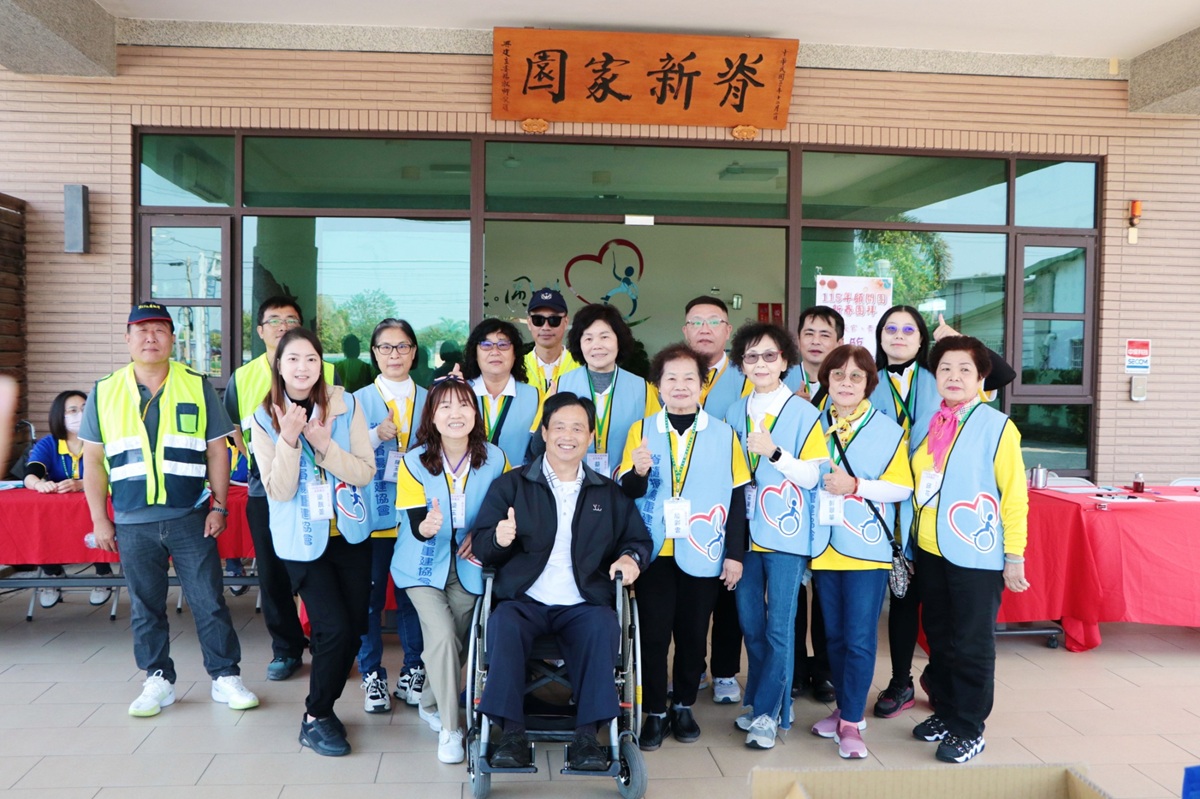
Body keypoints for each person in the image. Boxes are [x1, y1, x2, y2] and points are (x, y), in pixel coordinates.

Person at [81, 301, 259, 718]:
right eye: (142, 330)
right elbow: (93, 460)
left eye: (160, 330)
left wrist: (219, 506)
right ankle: (157, 678)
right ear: (127, 339)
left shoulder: (195, 385)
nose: (151, 338)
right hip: (132, 521)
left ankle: (224, 676)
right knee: (145, 606)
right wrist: (100, 519)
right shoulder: (105, 390)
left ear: (173, 339)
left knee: (208, 600)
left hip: (190, 516)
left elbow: (218, 450)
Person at [471, 392, 651, 772]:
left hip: (583, 603)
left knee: (604, 626)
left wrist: (629, 559)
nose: (568, 436)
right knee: (502, 624)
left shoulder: (607, 492)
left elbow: (637, 540)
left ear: (590, 436)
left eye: (578, 428)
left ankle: (587, 738)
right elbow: (484, 547)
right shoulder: (512, 486)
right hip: (525, 599)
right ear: (544, 432)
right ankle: (512, 735)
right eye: (559, 427)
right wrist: (499, 539)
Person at [869, 306, 1016, 719]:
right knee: (904, 601)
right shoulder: (868, 380)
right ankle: (901, 681)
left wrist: (955, 340)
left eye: (909, 329)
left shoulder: (942, 377)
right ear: (879, 337)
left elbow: (1000, 374)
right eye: (890, 328)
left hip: (941, 516)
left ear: (922, 340)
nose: (899, 335)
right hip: (889, 508)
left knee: (949, 619)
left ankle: (943, 687)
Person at [252, 327, 376, 757]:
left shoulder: (346, 404)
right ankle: (316, 715)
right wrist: (288, 439)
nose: (302, 367)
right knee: (333, 628)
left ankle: (324, 708)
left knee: (353, 630)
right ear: (279, 365)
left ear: (322, 364)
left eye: (311, 359)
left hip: (350, 533)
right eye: (293, 359)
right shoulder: (263, 417)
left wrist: (325, 447)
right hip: (302, 539)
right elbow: (279, 490)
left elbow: (364, 472)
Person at [618, 343, 749, 751]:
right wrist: (638, 472)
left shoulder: (724, 434)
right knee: (653, 635)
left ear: (702, 384)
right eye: (670, 378)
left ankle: (684, 705)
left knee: (693, 634)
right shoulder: (641, 430)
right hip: (653, 552)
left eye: (689, 378)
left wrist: (735, 554)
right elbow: (627, 490)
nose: (680, 385)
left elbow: (738, 497)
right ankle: (655, 711)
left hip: (704, 549)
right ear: (658, 386)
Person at [909, 335, 1029, 764]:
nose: (953, 376)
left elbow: (1014, 496)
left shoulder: (997, 426)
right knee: (940, 637)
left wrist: (1014, 554)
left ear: (981, 378)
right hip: (930, 550)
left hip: (977, 553)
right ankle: (945, 711)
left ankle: (969, 727)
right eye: (945, 368)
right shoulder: (928, 423)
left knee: (972, 643)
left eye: (965, 369)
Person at [801, 345, 913, 760]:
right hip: (824, 545)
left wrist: (857, 486)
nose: (845, 383)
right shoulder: (812, 423)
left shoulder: (888, 430)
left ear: (868, 383)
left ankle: (852, 721)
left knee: (861, 638)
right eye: (837, 375)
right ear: (826, 380)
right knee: (833, 636)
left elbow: (902, 487)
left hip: (865, 547)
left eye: (855, 377)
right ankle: (844, 709)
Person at [392, 376, 509, 765]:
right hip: (423, 564)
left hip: (470, 563)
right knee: (441, 636)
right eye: (445, 406)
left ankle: (428, 700)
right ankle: (449, 727)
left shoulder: (496, 458)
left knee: (455, 642)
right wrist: (428, 526)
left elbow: (503, 507)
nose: (455, 413)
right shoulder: (414, 461)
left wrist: (480, 533)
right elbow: (416, 524)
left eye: (463, 405)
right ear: (432, 415)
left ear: (476, 413)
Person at [225, 295, 335, 682]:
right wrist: (265, 462)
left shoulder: (328, 371)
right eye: (274, 320)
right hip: (265, 490)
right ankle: (286, 649)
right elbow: (233, 431)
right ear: (260, 330)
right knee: (272, 573)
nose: (283, 325)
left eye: (291, 319)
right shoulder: (243, 377)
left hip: (320, 488)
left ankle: (327, 644)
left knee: (320, 568)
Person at [723, 323, 823, 750]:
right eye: (751, 356)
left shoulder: (804, 413)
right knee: (751, 624)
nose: (760, 364)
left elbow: (814, 475)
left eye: (769, 355)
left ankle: (765, 713)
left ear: (785, 361)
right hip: (744, 534)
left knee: (781, 626)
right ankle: (776, 701)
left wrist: (775, 453)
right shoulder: (734, 411)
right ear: (741, 364)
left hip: (786, 533)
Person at [353, 318, 428, 714]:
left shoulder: (432, 399)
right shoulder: (355, 400)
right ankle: (372, 674)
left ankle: (413, 669)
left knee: (412, 595)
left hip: (417, 516)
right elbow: (341, 451)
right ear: (374, 353)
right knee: (369, 598)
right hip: (372, 513)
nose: (394, 354)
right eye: (385, 347)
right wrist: (373, 436)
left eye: (402, 346)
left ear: (414, 352)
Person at [681, 295, 751, 705]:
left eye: (713, 321)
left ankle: (725, 670)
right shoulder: (671, 376)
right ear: (684, 331)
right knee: (687, 598)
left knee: (728, 589)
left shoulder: (746, 375)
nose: (704, 329)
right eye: (696, 322)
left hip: (732, 497)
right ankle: (692, 669)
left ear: (728, 330)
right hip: (683, 503)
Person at [784, 305, 845, 704]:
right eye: (809, 333)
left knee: (825, 592)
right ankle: (793, 669)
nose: (816, 341)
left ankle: (824, 671)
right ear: (798, 338)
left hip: (831, 498)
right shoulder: (781, 378)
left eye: (825, 334)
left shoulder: (847, 379)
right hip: (790, 500)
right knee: (790, 591)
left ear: (839, 341)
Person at [24, 390, 115, 607]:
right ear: (59, 416)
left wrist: (83, 484)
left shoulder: (104, 441)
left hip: (95, 510)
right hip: (60, 514)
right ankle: (52, 574)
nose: (79, 415)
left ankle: (103, 574)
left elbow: (115, 474)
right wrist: (39, 484)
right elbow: (30, 474)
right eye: (72, 411)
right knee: (38, 527)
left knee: (96, 523)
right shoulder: (49, 444)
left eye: (84, 409)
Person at [555, 303, 659, 477]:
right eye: (588, 339)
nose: (597, 345)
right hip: (570, 483)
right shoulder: (561, 385)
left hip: (626, 484)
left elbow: (656, 439)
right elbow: (540, 443)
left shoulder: (642, 389)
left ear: (619, 340)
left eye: (604, 337)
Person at [463, 319, 541, 467]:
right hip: (467, 478)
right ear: (475, 353)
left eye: (503, 345)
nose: (495, 352)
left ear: (515, 353)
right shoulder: (460, 392)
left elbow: (537, 450)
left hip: (515, 479)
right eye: (486, 345)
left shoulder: (534, 396)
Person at [522, 287, 581, 399]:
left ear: (566, 322)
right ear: (529, 323)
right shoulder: (517, 367)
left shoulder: (580, 366)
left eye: (554, 320)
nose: (546, 327)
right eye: (538, 320)